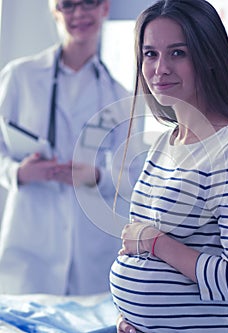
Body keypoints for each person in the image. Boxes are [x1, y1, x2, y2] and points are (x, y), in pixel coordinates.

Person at [99, 0, 228, 332]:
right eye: (150, 54)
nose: (160, 68)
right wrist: (129, 318)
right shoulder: (165, 143)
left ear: (207, 57)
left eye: (177, 52)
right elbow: (140, 256)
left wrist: (155, 242)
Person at [0, 0, 141, 295]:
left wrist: (99, 176)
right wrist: (19, 172)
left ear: (105, 8)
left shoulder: (120, 96)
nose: (79, 13)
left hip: (89, 249)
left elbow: (131, 176)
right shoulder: (20, 77)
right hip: (30, 246)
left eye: (89, 2)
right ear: (54, 11)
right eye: (67, 5)